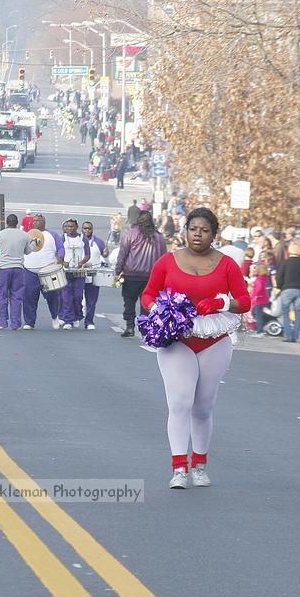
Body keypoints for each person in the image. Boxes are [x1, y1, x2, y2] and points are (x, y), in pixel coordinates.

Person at [142, 208, 250, 489]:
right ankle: (179, 468)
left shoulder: (227, 265)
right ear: (185, 231)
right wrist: (161, 311)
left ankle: (200, 464)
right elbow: (148, 294)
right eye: (193, 229)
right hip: (177, 336)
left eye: (204, 230)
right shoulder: (167, 261)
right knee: (179, 403)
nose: (198, 234)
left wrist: (220, 303)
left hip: (214, 339)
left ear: (213, 234)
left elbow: (244, 301)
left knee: (202, 407)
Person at [115, 211, 166, 338]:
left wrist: (118, 271)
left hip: (131, 275)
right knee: (147, 303)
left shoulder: (131, 234)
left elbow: (122, 254)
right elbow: (164, 258)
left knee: (129, 301)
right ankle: (145, 329)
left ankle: (130, 327)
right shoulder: (159, 237)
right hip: (151, 276)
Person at [22, 214, 64, 329]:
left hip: (48, 271)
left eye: (38, 221)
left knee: (53, 296)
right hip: (30, 271)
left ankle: (55, 317)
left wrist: (60, 259)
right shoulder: (27, 235)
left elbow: (60, 248)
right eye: (34, 221)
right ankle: (29, 322)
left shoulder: (52, 235)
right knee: (29, 297)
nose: (35, 223)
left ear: (44, 222)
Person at [57, 219, 90, 329]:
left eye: (72, 226)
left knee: (77, 296)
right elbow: (57, 253)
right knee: (66, 297)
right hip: (66, 272)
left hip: (79, 272)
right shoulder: (63, 238)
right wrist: (63, 262)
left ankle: (77, 315)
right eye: (67, 226)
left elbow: (87, 254)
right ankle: (68, 320)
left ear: (76, 227)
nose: (69, 228)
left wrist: (82, 262)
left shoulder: (82, 238)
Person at [276, 242, 300, 342]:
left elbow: (279, 276)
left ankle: (288, 335)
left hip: (286, 289)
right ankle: (295, 336)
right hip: (298, 290)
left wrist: (280, 286)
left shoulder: (285, 262)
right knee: (298, 312)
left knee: (285, 313)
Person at [82, 221, 108, 331]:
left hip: (94, 274)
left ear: (92, 229)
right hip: (79, 273)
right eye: (85, 228)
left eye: (89, 228)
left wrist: (106, 252)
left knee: (91, 300)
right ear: (81, 229)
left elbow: (105, 254)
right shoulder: (78, 240)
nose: (87, 230)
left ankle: (89, 321)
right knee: (75, 298)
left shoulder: (98, 241)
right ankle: (73, 316)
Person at [250, 263, 271, 335]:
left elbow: (258, 288)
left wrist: (254, 295)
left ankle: (259, 330)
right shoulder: (265, 278)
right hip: (264, 298)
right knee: (258, 314)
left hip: (259, 299)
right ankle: (259, 328)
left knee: (257, 314)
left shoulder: (259, 279)